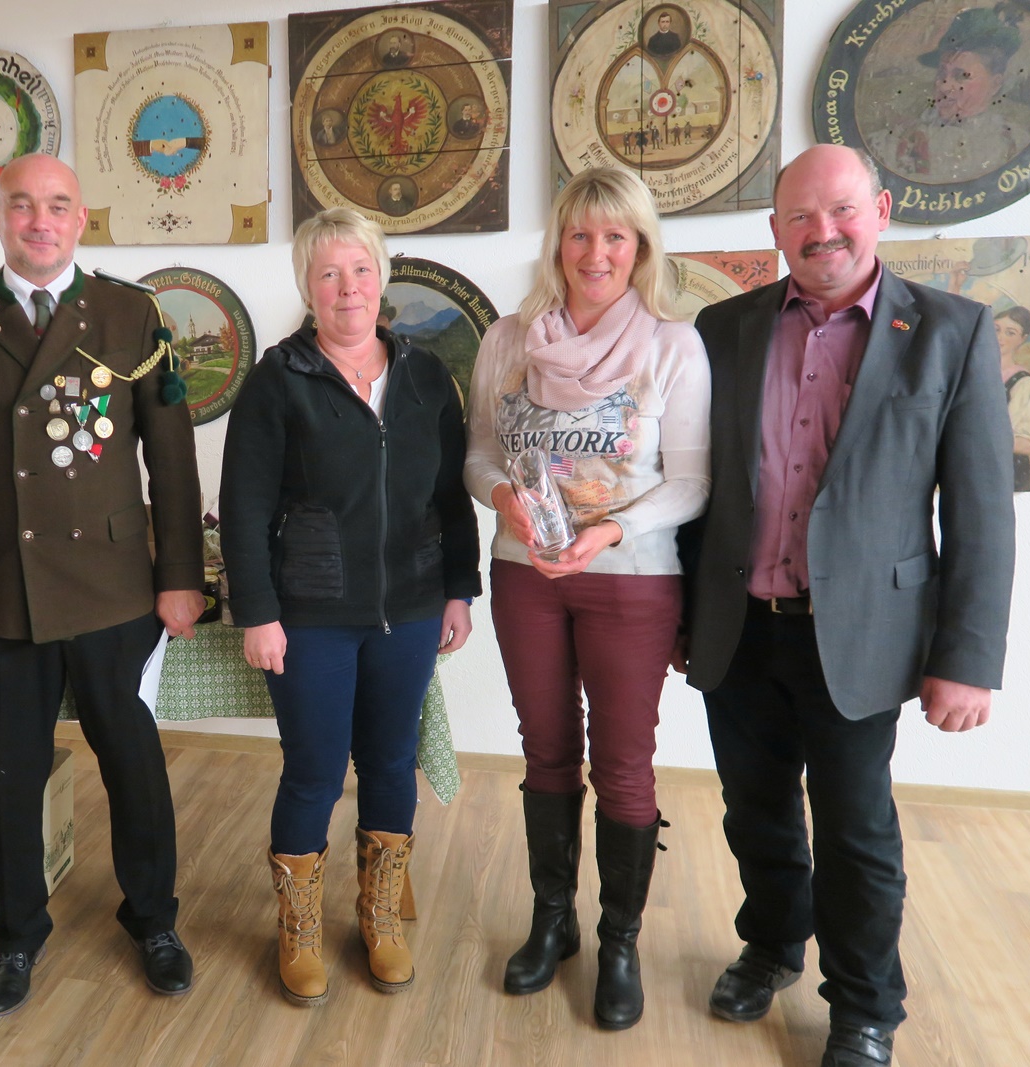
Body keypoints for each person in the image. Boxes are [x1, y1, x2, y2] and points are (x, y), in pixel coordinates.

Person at [681, 145, 1014, 1067]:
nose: (821, 231)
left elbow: (980, 510)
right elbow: (697, 487)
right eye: (800, 215)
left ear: (882, 210)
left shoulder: (949, 330)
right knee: (753, 810)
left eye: (840, 210)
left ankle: (866, 1006)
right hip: (738, 625)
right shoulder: (722, 326)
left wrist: (968, 659)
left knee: (856, 829)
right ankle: (771, 944)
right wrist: (682, 616)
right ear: (775, 229)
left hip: (863, 636)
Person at [0, 152, 205, 1019]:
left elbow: (172, 461)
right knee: (9, 772)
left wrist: (181, 575)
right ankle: (16, 933)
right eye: (22, 204)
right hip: (4, 589)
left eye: (58, 205)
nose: (40, 221)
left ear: (81, 218)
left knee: (133, 765)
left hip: (114, 586)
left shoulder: (132, 312)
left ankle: (154, 920)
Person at [464, 166, 710, 1031]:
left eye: (614, 236)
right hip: (525, 573)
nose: (595, 252)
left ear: (639, 247)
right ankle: (552, 920)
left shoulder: (672, 346)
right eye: (580, 234)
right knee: (545, 749)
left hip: (631, 578)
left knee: (624, 764)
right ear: (558, 243)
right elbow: (479, 455)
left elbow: (691, 483)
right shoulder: (508, 340)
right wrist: (505, 501)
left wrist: (609, 532)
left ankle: (619, 942)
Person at [220, 206, 480, 1007]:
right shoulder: (276, 381)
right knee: (314, 771)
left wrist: (461, 587)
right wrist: (257, 612)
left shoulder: (425, 376)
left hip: (411, 608)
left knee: (392, 762)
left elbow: (451, 496)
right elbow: (243, 506)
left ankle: (379, 915)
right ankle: (299, 927)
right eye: (329, 273)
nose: (347, 288)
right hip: (309, 615)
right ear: (308, 285)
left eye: (361, 270)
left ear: (381, 277)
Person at [872, 7, 1030, 183]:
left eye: (961, 75)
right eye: (941, 73)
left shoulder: (1014, 142)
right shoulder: (895, 141)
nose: (944, 85)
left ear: (995, 84)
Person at [994, 305, 1030, 491]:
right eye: (996, 329)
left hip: (1007, 473)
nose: (1000, 337)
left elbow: (1029, 444)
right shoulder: (974, 374)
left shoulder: (1024, 384)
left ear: (1022, 339)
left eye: (1010, 333)